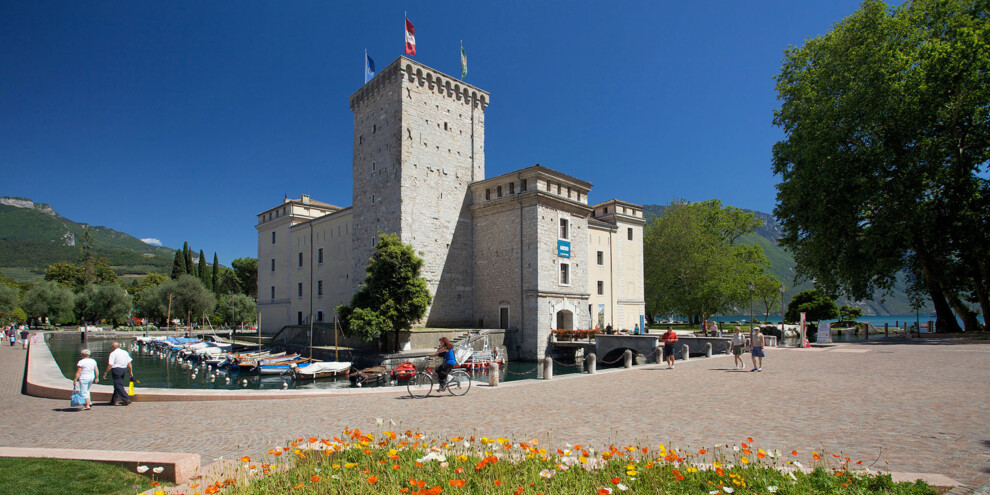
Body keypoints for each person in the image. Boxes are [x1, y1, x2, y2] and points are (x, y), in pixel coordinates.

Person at [102, 341, 133, 405]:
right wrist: (130, 371)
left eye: (111, 346)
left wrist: (105, 373)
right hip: (124, 369)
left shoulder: (113, 353)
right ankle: (113, 400)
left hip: (116, 370)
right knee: (117, 384)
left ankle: (126, 398)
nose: (111, 347)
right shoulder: (125, 352)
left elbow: (110, 365)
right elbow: (129, 363)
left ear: (113, 347)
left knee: (118, 385)